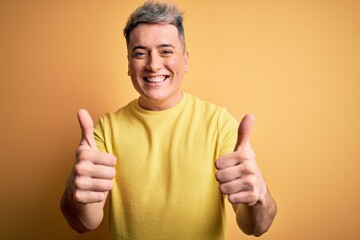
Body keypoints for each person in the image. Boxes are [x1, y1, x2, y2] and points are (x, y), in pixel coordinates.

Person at [60, 1, 277, 239]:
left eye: (166, 51)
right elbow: (84, 222)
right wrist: (74, 196)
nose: (153, 65)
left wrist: (260, 195)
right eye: (140, 53)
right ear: (129, 65)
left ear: (185, 60)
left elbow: (255, 226)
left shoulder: (219, 123)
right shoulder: (106, 129)